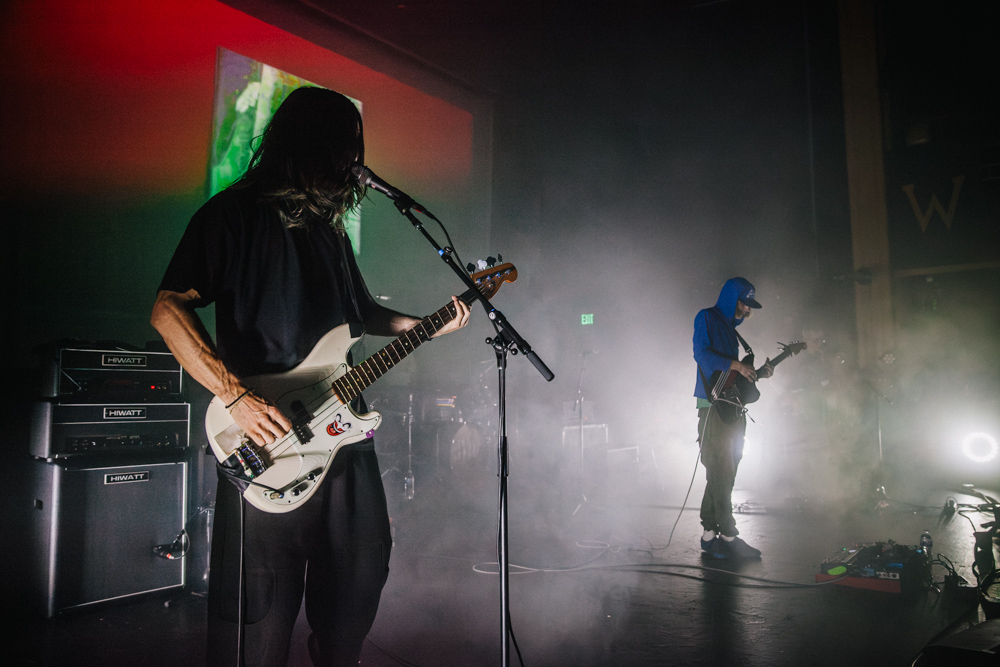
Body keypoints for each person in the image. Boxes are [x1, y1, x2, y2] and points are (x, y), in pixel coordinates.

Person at [150, 87, 471, 666]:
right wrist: (236, 395)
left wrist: (431, 324)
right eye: (345, 144)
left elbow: (363, 315)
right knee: (262, 608)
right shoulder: (231, 215)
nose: (353, 159)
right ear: (311, 143)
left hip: (341, 432)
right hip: (267, 436)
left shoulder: (329, 231)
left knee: (361, 571)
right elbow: (167, 309)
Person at [692, 277, 771, 559]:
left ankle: (709, 533)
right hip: (712, 406)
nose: (747, 311)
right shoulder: (707, 318)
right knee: (721, 469)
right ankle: (727, 535)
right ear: (730, 298)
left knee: (725, 470)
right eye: (744, 304)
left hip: (732, 406)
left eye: (750, 307)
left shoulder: (731, 329)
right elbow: (701, 354)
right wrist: (736, 363)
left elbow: (732, 378)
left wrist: (755, 373)